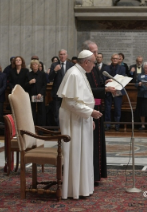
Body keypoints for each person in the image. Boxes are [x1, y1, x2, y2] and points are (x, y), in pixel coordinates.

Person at [57, 50, 102, 200]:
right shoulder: (74, 74)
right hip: (73, 120)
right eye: (93, 63)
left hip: (80, 118)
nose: (94, 66)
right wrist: (90, 113)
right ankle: (73, 189)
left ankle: (83, 188)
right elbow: (71, 102)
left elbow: (82, 99)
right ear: (86, 62)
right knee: (75, 153)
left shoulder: (80, 72)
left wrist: (89, 117)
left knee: (83, 153)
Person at [82, 40, 116, 185]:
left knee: (98, 143)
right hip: (89, 111)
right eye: (94, 52)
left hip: (98, 109)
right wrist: (105, 90)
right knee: (92, 144)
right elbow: (86, 91)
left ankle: (97, 174)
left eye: (97, 51)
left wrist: (105, 84)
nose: (96, 54)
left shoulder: (95, 68)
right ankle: (90, 174)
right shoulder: (82, 70)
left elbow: (97, 84)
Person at [49, 49, 74, 126]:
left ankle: (67, 127)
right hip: (57, 92)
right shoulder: (54, 65)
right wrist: (55, 71)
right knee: (57, 111)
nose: (62, 56)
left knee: (68, 111)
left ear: (67, 55)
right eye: (61, 54)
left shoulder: (71, 65)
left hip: (68, 92)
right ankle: (57, 129)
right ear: (59, 56)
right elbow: (49, 78)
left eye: (64, 54)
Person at [103, 53, 126, 131]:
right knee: (107, 108)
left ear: (119, 59)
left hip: (118, 90)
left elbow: (122, 79)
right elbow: (103, 78)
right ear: (111, 59)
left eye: (116, 58)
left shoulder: (122, 68)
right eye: (113, 58)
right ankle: (107, 124)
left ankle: (117, 125)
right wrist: (106, 81)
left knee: (117, 108)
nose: (115, 60)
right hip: (108, 90)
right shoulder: (106, 68)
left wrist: (114, 83)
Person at [25, 60, 47, 126]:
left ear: (38, 66)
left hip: (40, 95)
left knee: (41, 111)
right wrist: (29, 82)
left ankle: (41, 129)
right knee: (32, 111)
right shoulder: (28, 74)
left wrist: (41, 93)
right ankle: (32, 127)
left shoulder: (42, 74)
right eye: (33, 64)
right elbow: (25, 86)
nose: (35, 66)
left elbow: (44, 85)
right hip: (31, 95)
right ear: (31, 66)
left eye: (36, 64)